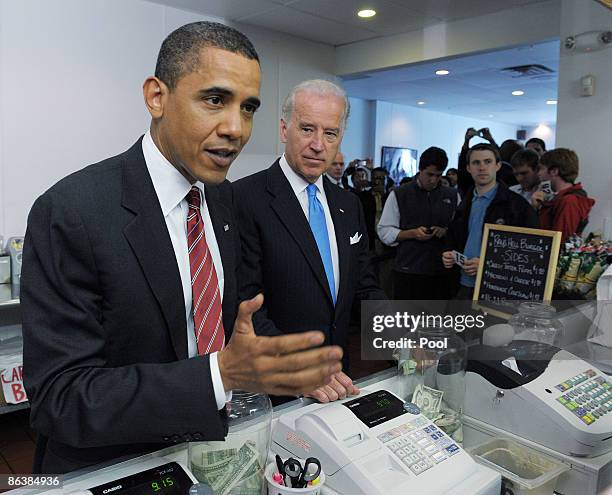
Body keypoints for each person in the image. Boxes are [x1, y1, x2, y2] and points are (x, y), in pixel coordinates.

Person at [21, 22, 343, 474]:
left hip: (216, 452)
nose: (236, 128)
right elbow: (61, 398)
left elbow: (225, 319)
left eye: (248, 108)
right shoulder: (72, 212)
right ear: (157, 97)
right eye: (215, 100)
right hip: (118, 467)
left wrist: (293, 366)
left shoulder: (224, 200)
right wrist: (218, 376)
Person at [234, 80, 386, 403]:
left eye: (330, 133)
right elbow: (244, 304)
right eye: (307, 129)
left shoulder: (349, 205)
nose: (318, 144)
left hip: (336, 382)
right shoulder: (243, 199)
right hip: (273, 390)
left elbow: (364, 287)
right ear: (283, 129)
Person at [443, 144, 538, 298]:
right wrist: (449, 253)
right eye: (476, 163)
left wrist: (489, 264)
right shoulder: (464, 203)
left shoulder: (518, 206)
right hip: (462, 285)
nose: (482, 167)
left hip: (498, 288)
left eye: (487, 162)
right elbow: (454, 237)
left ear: (498, 165)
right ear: (468, 168)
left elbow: (529, 253)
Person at [378, 147, 457, 300]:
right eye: (430, 174)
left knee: (436, 322)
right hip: (408, 270)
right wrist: (412, 233)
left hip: (441, 271)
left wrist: (445, 231)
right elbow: (384, 231)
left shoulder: (452, 195)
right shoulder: (399, 194)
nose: (433, 180)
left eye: (438, 175)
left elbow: (458, 230)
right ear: (420, 169)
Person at [533, 148, 595, 242]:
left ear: (554, 171)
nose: (539, 173)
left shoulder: (569, 201)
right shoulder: (557, 198)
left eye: (541, 168)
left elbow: (560, 239)